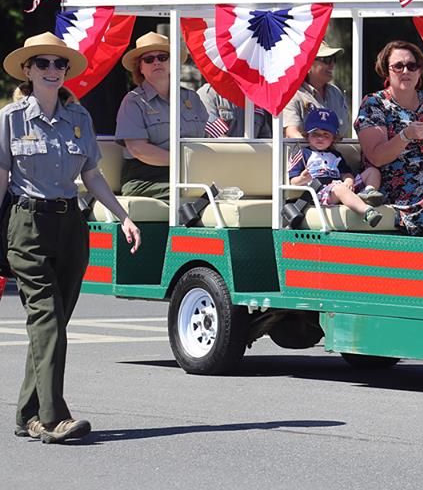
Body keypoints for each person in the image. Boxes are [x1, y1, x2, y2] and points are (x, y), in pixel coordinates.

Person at [0, 33, 141, 444]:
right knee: (47, 318)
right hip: (27, 224)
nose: (52, 70)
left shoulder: (79, 118)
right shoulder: (10, 118)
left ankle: (27, 413)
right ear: (27, 70)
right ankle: (52, 418)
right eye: (42, 63)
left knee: (54, 323)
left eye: (59, 64)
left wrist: (123, 216)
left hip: (71, 226)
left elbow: (91, 175)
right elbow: (2, 178)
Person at [355, 41, 423, 235]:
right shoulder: (374, 104)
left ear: (419, 71)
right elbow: (377, 157)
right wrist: (405, 136)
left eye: (412, 66)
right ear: (386, 71)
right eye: (398, 66)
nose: (406, 71)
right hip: (397, 182)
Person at [115, 32, 210, 199]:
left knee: (228, 188)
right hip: (146, 178)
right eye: (148, 59)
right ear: (140, 68)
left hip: (192, 172)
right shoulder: (133, 102)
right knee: (202, 193)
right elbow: (138, 149)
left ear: (172, 62)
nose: (156, 62)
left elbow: (208, 137)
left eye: (163, 57)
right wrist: (182, 161)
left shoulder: (191, 98)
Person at [288, 108, 384, 227]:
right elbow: (293, 182)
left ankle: (368, 193)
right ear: (307, 135)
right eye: (315, 134)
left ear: (333, 138)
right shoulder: (303, 154)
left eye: (326, 135)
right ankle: (367, 212)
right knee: (339, 189)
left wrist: (349, 180)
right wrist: (302, 178)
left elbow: (346, 173)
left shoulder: (336, 155)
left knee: (372, 171)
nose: (320, 138)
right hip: (319, 192)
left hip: (340, 186)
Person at [282, 41, 349, 138]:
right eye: (326, 60)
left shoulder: (336, 93)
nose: (332, 65)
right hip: (303, 148)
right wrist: (316, 147)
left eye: (334, 59)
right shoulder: (292, 95)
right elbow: (291, 133)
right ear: (307, 63)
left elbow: (343, 134)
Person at [197, 82, 271, 138]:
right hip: (220, 153)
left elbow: (265, 139)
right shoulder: (208, 94)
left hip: (253, 153)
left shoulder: (254, 96)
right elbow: (212, 134)